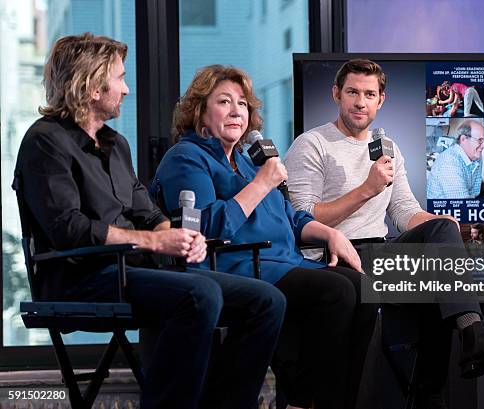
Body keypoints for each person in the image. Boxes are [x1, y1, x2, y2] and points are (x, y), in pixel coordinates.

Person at [15, 33, 286, 409]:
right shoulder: (44, 142)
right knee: (199, 294)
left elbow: (147, 210)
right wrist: (155, 242)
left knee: (266, 300)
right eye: (120, 78)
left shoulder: (114, 143)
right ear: (93, 85)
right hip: (79, 277)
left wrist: (173, 235)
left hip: (133, 271)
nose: (126, 89)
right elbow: (68, 230)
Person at [285, 59, 484, 408]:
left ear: (380, 100)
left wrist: (439, 225)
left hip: (380, 252)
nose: (360, 102)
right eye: (352, 92)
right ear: (336, 94)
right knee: (434, 280)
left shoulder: (390, 149)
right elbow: (301, 219)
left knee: (441, 247)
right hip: (334, 258)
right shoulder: (312, 145)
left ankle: (468, 341)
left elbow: (403, 211)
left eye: (369, 94)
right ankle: (466, 354)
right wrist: (366, 189)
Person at [151, 64, 378, 409]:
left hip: (284, 262)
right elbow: (204, 229)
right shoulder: (186, 158)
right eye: (224, 102)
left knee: (364, 290)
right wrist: (261, 184)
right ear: (199, 111)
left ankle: (337, 401)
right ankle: (302, 401)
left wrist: (329, 233)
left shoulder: (246, 162)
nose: (236, 111)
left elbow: (291, 216)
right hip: (238, 267)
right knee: (336, 292)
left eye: (241, 104)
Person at [427, 120, 484, 199]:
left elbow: (471, 183)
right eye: (480, 140)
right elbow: (462, 207)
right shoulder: (449, 164)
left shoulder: (475, 155)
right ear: (463, 139)